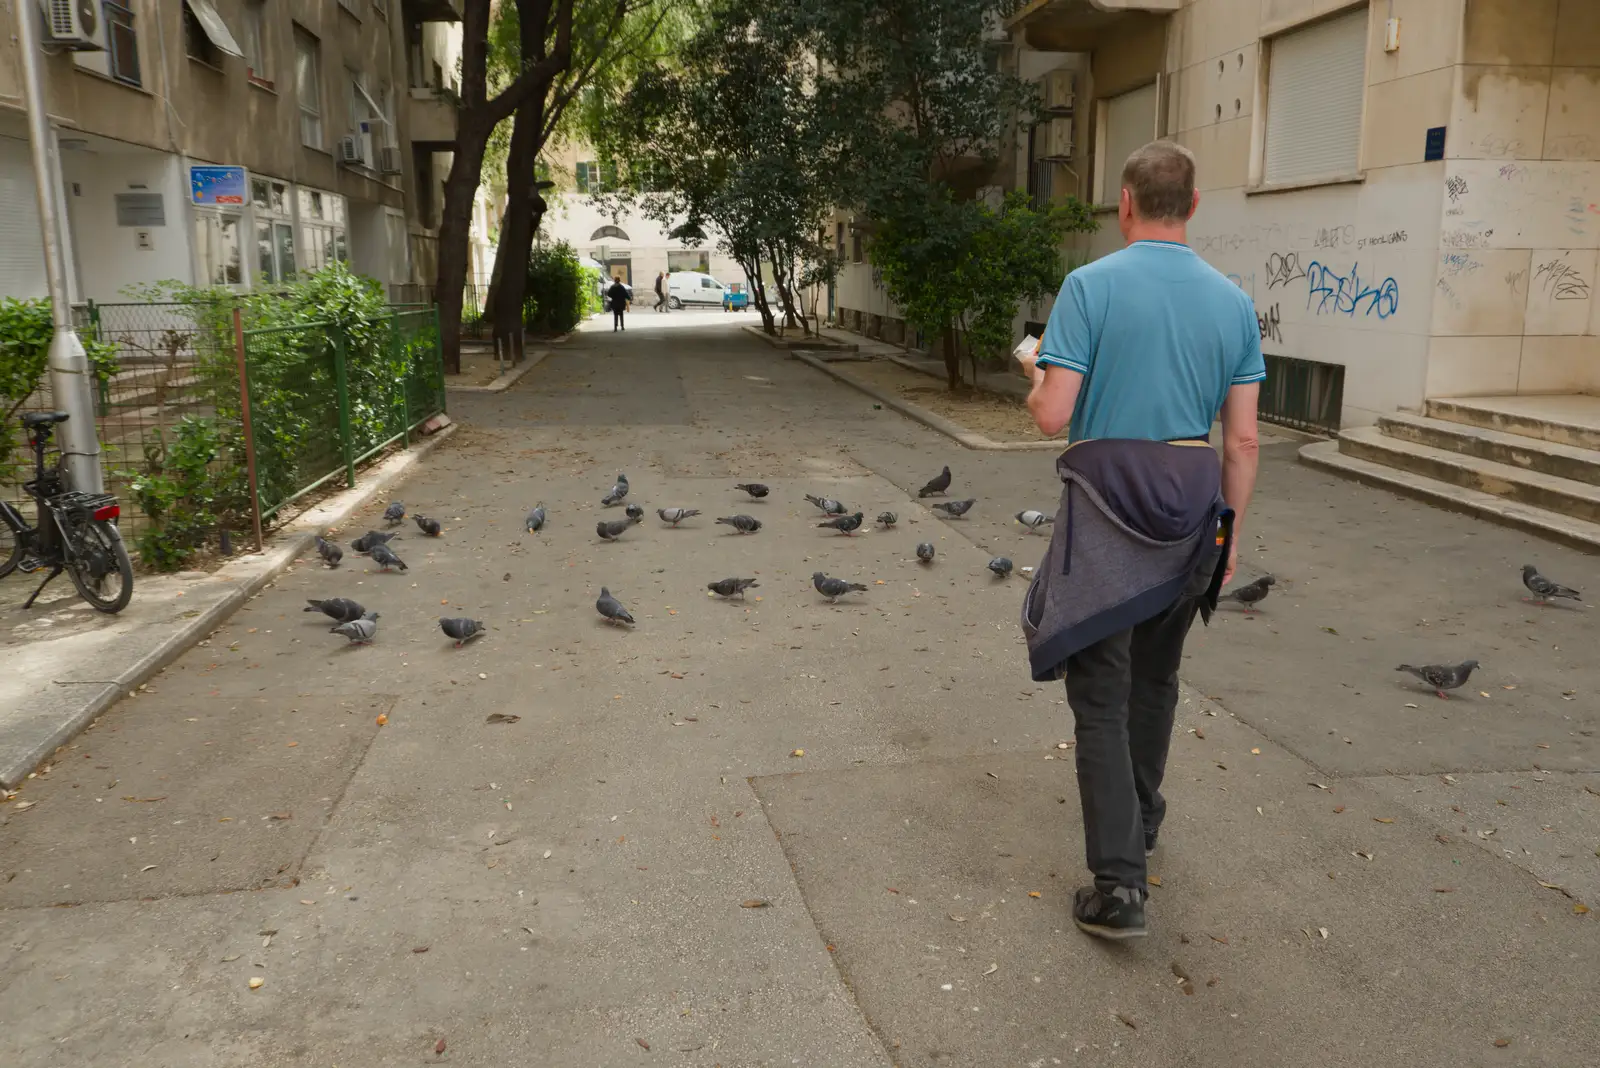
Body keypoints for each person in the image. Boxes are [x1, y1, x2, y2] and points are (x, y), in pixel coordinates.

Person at [1016, 140, 1263, 941]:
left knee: (1100, 691)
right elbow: (1245, 442)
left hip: (1108, 500)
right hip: (1193, 501)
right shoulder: (1232, 303)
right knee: (1156, 676)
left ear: (1125, 204)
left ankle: (1119, 887)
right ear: (1193, 206)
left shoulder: (1090, 286)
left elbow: (1055, 416)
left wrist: (1034, 382)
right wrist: (1224, 534)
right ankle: (1143, 822)